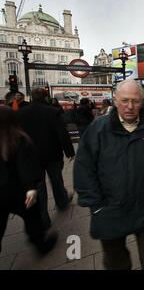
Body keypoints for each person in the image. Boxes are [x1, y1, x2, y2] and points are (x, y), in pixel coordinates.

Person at [74, 80, 144, 270]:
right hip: (110, 211)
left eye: (135, 101)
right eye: (125, 100)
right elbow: (83, 169)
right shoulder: (98, 129)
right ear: (115, 100)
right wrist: (96, 205)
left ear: (142, 102)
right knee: (116, 262)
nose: (130, 106)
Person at [0, 106, 58, 255]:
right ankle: (41, 244)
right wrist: (30, 188)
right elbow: (24, 164)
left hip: (6, 191)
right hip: (18, 191)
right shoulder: (18, 138)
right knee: (33, 218)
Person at [17, 88, 75, 229]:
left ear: (31, 97)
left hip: (31, 157)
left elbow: (18, 136)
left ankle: (43, 219)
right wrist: (69, 151)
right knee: (56, 180)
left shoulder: (20, 113)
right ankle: (61, 201)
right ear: (46, 97)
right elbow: (61, 132)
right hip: (52, 154)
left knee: (39, 187)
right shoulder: (52, 111)